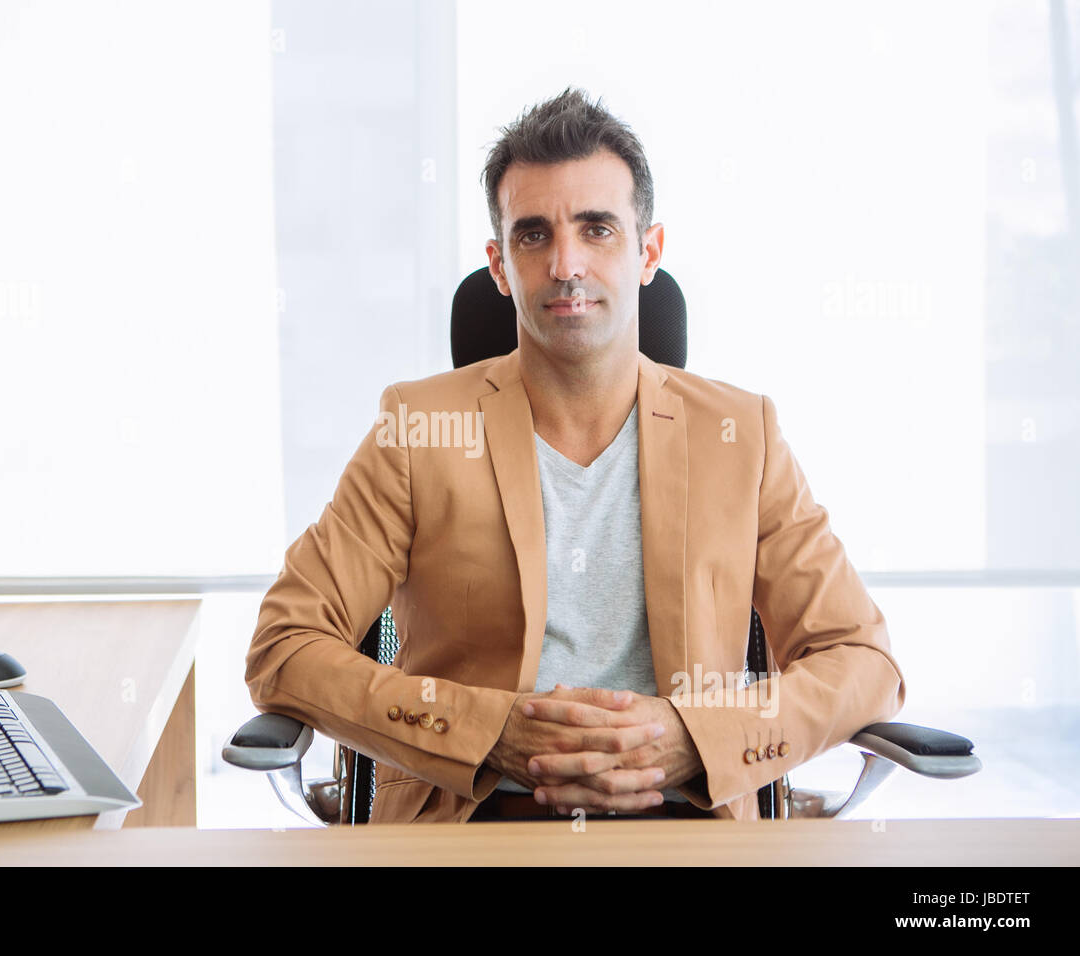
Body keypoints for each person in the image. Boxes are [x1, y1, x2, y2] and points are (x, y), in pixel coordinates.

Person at [245, 88, 904, 823]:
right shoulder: (418, 429)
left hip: (688, 816)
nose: (565, 264)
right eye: (533, 235)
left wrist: (694, 738)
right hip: (475, 815)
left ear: (647, 250)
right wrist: (489, 731)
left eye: (597, 229)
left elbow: (862, 661)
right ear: (499, 266)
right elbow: (284, 644)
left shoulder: (740, 434)